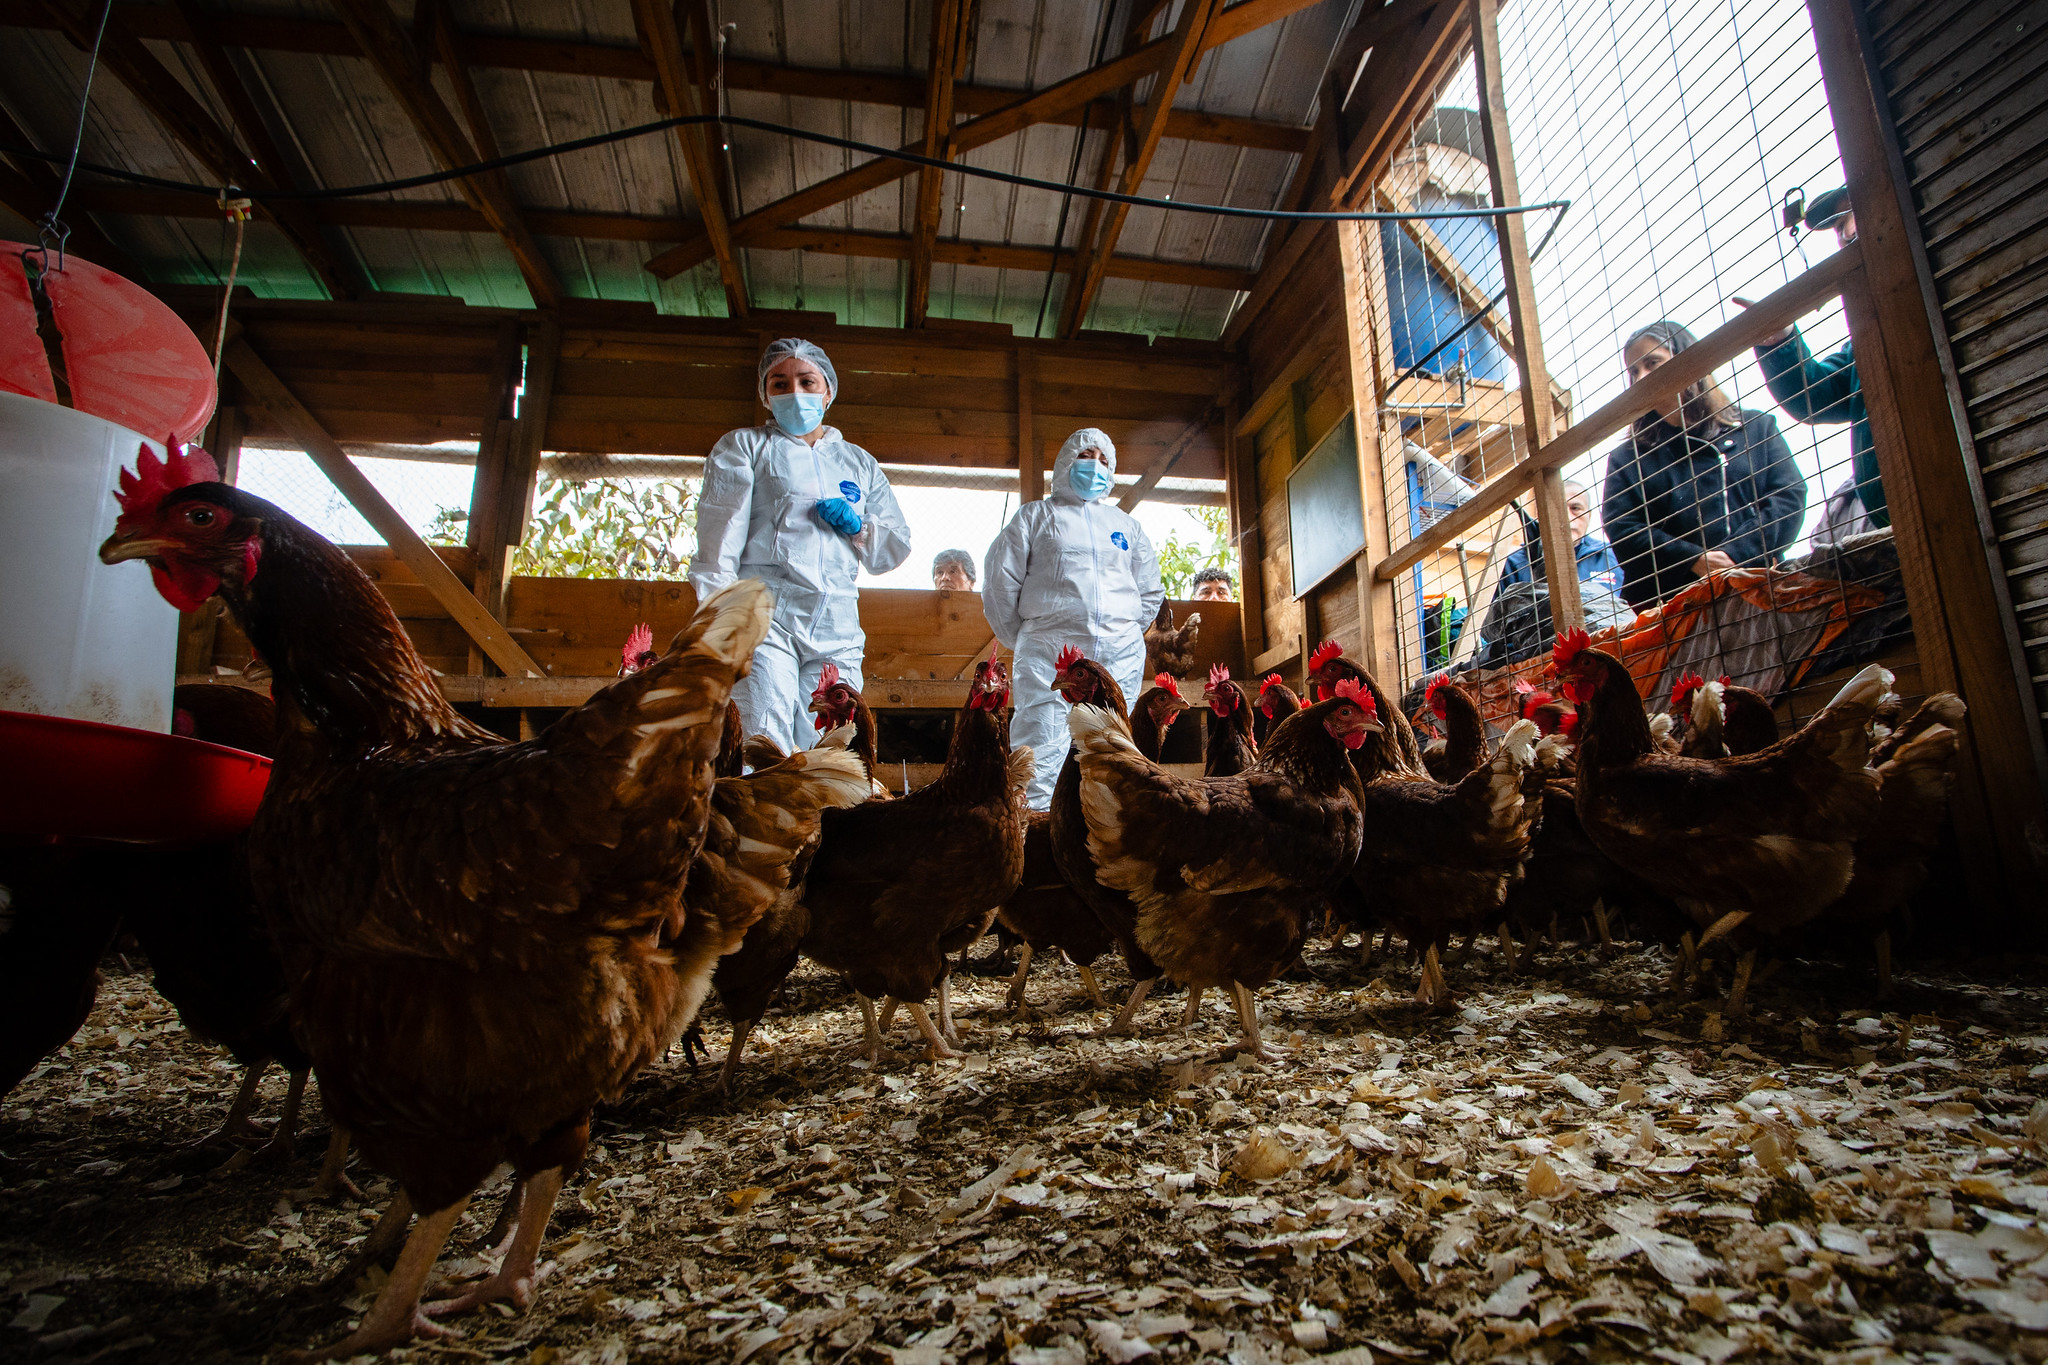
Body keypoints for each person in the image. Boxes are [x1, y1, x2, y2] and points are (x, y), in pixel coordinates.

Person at [688, 337, 912, 755]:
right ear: (765, 396)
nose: (795, 392)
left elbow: (892, 550)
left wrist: (859, 527)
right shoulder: (744, 448)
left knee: (831, 741)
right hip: (766, 616)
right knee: (762, 732)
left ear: (828, 391)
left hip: (836, 622)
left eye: (807, 382)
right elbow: (718, 540)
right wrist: (721, 618)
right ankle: (762, 820)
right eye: (780, 383)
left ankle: (823, 822)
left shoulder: (858, 462)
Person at [982, 428, 1164, 809]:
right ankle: (1034, 840)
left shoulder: (1125, 527)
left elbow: (1149, 591)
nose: (1094, 466)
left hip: (1118, 655)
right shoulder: (1035, 517)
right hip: (1050, 649)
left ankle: (1101, 839)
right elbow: (1001, 581)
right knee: (1042, 741)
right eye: (1086, 455)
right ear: (1066, 460)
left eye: (1103, 460)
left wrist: (1124, 629)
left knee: (1111, 747)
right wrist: (1027, 636)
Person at [1601, 320, 1807, 613]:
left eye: (1652, 362)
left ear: (1687, 360)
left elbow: (1789, 497)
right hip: (1669, 607)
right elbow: (1622, 527)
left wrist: (1733, 555)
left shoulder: (1755, 426)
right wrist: (1694, 559)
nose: (1641, 377)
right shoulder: (1627, 456)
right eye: (1633, 371)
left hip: (1756, 588)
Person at [1736, 188, 1888, 531]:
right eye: (1840, 231)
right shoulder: (1866, 344)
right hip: (1895, 517)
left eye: (1852, 218)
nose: (1845, 234)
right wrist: (1779, 341)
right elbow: (1814, 398)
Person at [1491, 481, 1622, 597]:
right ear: (1541, 515)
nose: (1567, 517)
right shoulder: (1515, 564)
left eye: (1576, 508)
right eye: (1557, 509)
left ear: (1589, 515)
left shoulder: (1612, 556)